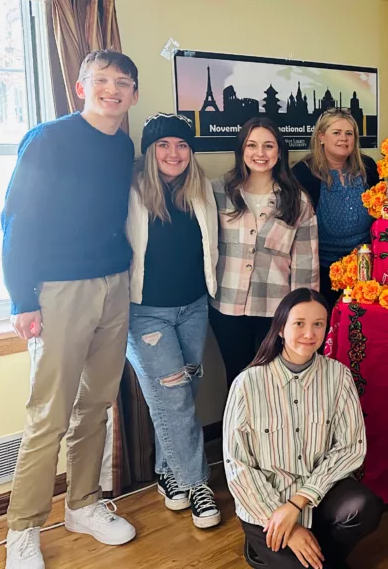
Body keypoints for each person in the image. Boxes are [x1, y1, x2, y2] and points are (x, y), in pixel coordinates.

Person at [1, 50, 139, 569]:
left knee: (97, 404)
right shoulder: (48, 139)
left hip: (114, 285)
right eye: (101, 80)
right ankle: (23, 529)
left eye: (122, 83)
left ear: (133, 95)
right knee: (49, 416)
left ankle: (83, 504)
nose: (112, 90)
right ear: (81, 87)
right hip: (59, 290)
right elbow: (16, 218)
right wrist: (22, 298)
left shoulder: (123, 145)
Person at [223, 288, 382, 569]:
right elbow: (237, 465)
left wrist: (298, 502)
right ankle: (275, 548)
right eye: (299, 323)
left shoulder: (338, 376)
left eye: (318, 324)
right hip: (267, 506)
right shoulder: (247, 384)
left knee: (364, 507)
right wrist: (284, 520)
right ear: (280, 328)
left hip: (318, 495)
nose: (309, 333)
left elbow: (351, 448)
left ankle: (313, 552)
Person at [125, 112, 220, 529]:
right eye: (163, 145)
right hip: (146, 313)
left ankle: (169, 472)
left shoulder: (201, 189)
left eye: (182, 145)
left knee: (182, 395)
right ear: (149, 151)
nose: (173, 153)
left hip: (194, 307)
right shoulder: (130, 189)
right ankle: (197, 484)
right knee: (175, 398)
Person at [209, 116, 319, 386]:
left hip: (275, 310)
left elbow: (306, 265)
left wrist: (301, 315)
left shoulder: (297, 200)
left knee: (274, 382)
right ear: (241, 150)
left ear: (279, 152)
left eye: (268, 146)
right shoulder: (217, 192)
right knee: (237, 380)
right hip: (227, 307)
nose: (260, 153)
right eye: (252, 145)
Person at [291, 108, 378, 306]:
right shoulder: (303, 173)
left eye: (349, 133)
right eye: (336, 133)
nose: (343, 138)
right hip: (321, 269)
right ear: (321, 137)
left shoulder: (368, 167)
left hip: (365, 266)